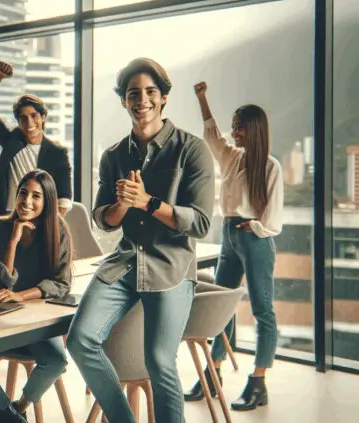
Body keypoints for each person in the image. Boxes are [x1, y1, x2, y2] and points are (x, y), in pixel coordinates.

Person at [65, 58, 215, 423]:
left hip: (172, 265)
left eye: (150, 92)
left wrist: (147, 202)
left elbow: (201, 223)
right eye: (134, 93)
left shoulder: (192, 150)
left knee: (160, 361)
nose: (142, 100)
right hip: (125, 261)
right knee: (79, 340)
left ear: (163, 98)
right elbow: (103, 219)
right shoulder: (114, 155)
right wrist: (120, 204)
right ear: (124, 101)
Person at [184, 81, 283, 411]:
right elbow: (212, 135)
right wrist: (202, 99)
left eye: (239, 129)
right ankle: (213, 375)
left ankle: (258, 382)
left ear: (253, 131)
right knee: (223, 306)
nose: (234, 133)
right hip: (228, 233)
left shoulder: (270, 166)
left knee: (262, 311)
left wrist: (254, 225)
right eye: (234, 128)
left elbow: (275, 216)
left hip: (256, 239)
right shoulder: (231, 158)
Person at [0, 169, 72, 423]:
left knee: (56, 361)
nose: (27, 201)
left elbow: (61, 282)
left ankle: (17, 409)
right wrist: (13, 241)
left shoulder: (59, 230)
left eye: (36, 196)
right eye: (23, 193)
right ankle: (6, 415)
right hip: (0, 324)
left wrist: (21, 295)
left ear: (48, 202)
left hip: (37, 326)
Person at [0, 61, 72, 218]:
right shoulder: (11, 141)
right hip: (8, 216)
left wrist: (51, 228)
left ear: (43, 117)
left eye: (34, 116)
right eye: (23, 118)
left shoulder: (57, 153)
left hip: (40, 218)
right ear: (18, 122)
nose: (30, 123)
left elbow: (64, 199)